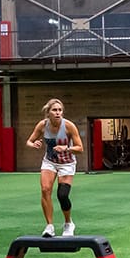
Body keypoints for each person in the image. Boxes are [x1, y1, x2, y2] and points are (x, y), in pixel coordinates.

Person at [27, 98, 83, 238]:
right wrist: (33, 145)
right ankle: (49, 226)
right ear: (48, 112)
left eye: (60, 110)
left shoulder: (69, 126)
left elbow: (80, 148)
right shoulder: (42, 125)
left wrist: (67, 148)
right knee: (45, 190)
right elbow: (29, 141)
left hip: (67, 163)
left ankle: (68, 223)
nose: (58, 113)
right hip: (50, 162)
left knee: (62, 195)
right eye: (54, 110)